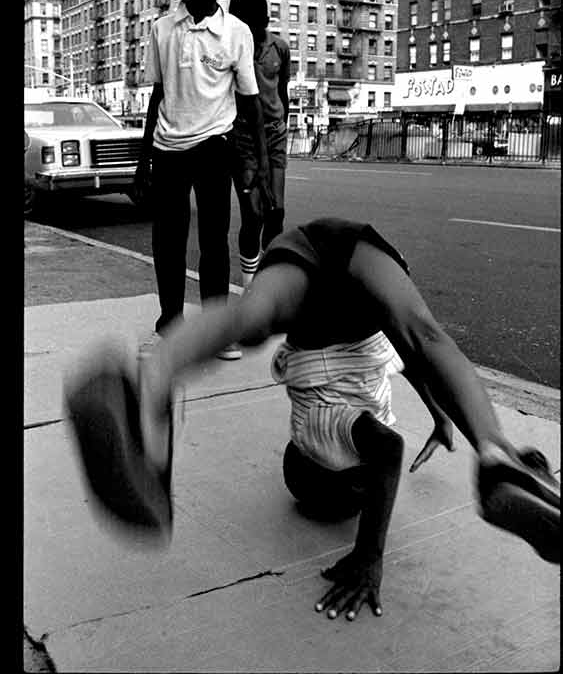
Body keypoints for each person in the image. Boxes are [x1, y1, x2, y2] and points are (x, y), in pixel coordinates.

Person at [66, 217, 560, 623]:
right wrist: (438, 414)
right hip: (335, 282)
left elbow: (409, 356)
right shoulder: (322, 430)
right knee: (260, 319)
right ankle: (495, 451)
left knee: (254, 319)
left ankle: (147, 384)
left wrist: (439, 414)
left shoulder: (324, 429)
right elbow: (409, 354)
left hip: (341, 269)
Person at [133, 0, 271, 360]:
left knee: (214, 243)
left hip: (215, 147)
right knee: (167, 244)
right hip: (168, 150)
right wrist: (142, 163)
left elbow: (250, 103)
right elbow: (158, 96)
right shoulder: (161, 30)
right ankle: (169, 325)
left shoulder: (236, 33)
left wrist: (261, 164)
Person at [228, 0, 290, 287]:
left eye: (256, 23)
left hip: (275, 134)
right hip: (243, 138)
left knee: (275, 212)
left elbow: (283, 91)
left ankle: (268, 283)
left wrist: (283, 124)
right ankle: (250, 285)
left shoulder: (279, 47)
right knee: (252, 216)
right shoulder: (233, 49)